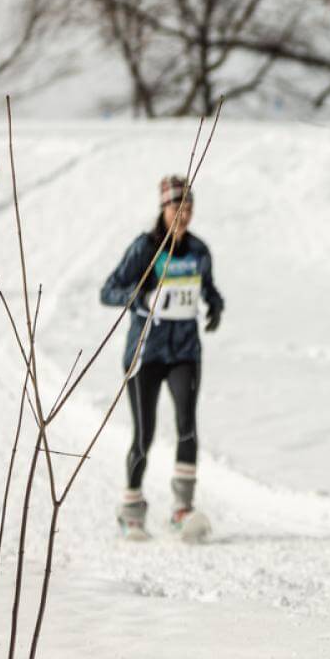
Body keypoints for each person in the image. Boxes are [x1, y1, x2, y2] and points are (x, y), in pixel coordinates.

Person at [100, 176, 224, 541]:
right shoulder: (145, 249)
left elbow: (209, 287)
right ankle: (131, 509)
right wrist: (138, 299)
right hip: (146, 353)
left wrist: (216, 305)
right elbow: (108, 291)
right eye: (176, 206)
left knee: (187, 425)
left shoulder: (199, 251)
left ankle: (182, 509)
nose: (183, 213)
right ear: (163, 209)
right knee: (145, 432)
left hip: (185, 351)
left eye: (188, 207)